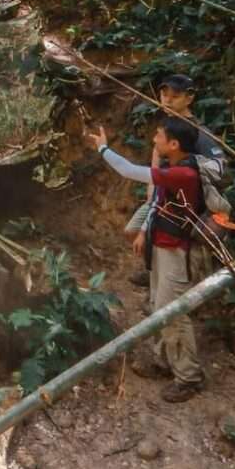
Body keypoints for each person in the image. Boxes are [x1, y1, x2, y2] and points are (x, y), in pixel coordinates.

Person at [88, 117, 206, 402]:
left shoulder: (184, 175)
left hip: (176, 253)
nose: (155, 139)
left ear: (174, 144)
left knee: (173, 314)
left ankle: (189, 377)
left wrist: (104, 149)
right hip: (163, 247)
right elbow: (157, 204)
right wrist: (143, 232)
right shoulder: (175, 168)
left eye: (159, 136)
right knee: (159, 306)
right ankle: (164, 360)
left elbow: (128, 171)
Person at [127, 74, 227, 288]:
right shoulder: (169, 125)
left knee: (173, 244)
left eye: (175, 96)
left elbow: (219, 167)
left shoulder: (196, 133)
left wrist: (192, 180)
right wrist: (151, 192)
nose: (168, 100)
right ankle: (153, 269)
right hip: (160, 196)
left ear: (189, 99)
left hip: (182, 203)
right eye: (164, 94)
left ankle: (171, 288)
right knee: (136, 229)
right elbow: (156, 164)